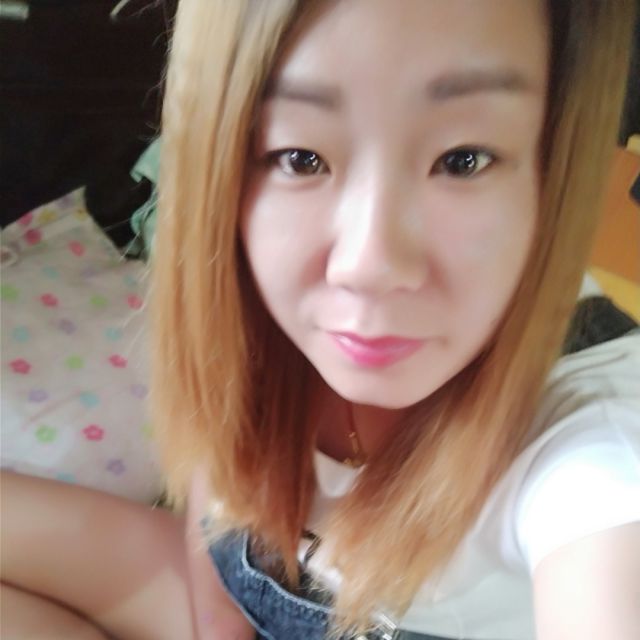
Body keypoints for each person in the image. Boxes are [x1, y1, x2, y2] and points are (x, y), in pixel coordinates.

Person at [2, 1, 639, 639]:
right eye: (300, 158)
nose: (369, 266)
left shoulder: (598, 450)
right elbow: (211, 497)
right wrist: (215, 625)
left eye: (463, 159)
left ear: (555, 163)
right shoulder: (238, 295)